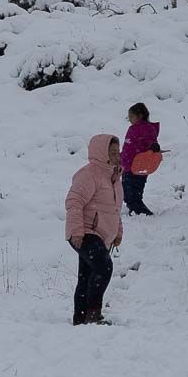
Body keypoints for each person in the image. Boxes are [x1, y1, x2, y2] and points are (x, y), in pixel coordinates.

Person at [65, 134, 123, 325]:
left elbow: (114, 209)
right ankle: (93, 315)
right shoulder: (89, 174)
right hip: (86, 232)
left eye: (117, 152)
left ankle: (80, 320)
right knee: (103, 267)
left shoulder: (114, 178)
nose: (117, 156)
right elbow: (74, 201)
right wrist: (77, 231)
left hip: (101, 235)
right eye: (112, 152)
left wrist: (118, 232)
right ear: (101, 153)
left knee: (86, 276)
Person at [120, 102, 160, 216]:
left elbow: (151, 141)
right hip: (127, 166)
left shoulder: (146, 128)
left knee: (133, 194)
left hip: (139, 167)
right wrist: (120, 157)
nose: (130, 119)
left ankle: (142, 213)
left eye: (131, 116)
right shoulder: (132, 128)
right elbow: (128, 147)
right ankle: (137, 211)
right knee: (127, 193)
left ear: (140, 115)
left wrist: (154, 145)